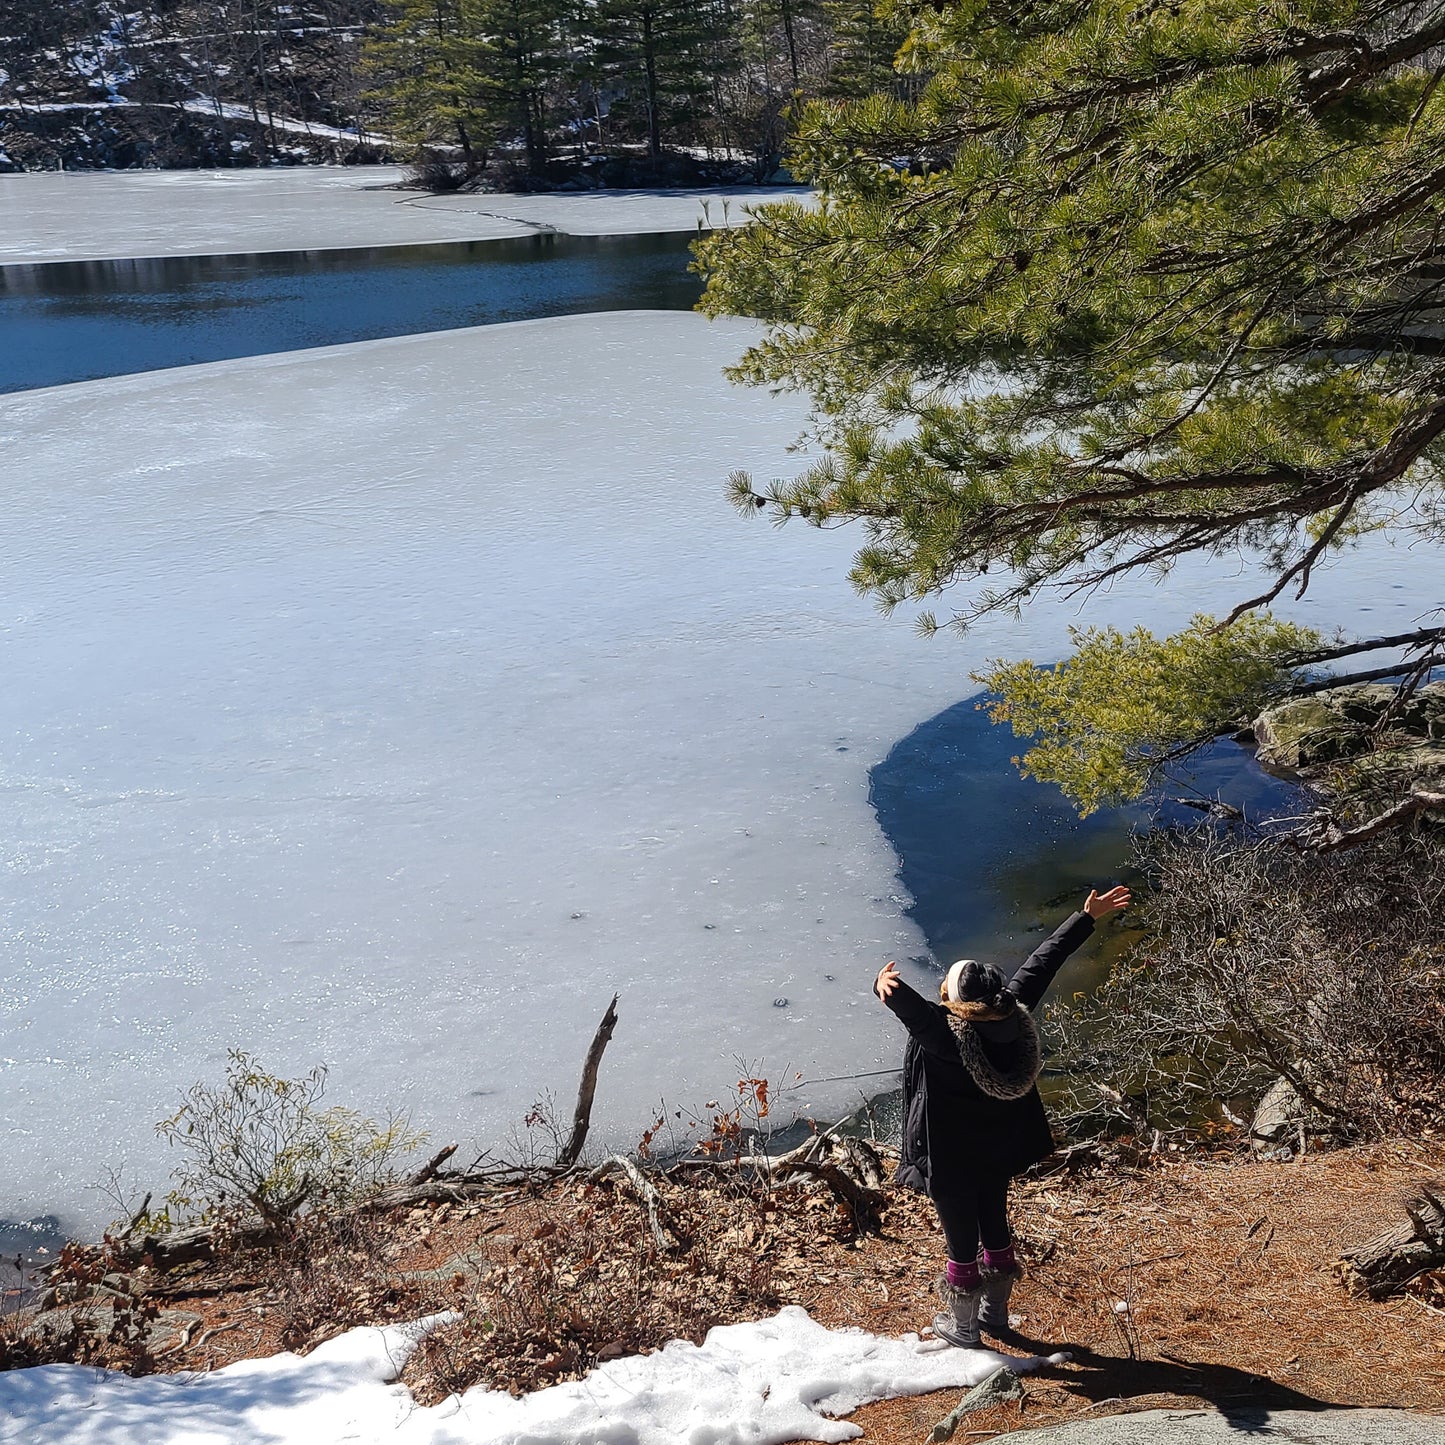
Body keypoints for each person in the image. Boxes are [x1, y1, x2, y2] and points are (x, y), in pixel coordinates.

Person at [873, 885, 1131, 1347]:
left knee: (960, 1241)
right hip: (995, 1153)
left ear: (953, 1000)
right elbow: (1040, 965)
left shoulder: (944, 1035)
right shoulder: (1010, 1014)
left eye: (945, 989)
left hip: (950, 1158)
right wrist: (1085, 917)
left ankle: (965, 1327)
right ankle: (996, 1314)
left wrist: (883, 986)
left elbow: (912, 1008)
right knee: (994, 1224)